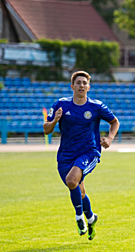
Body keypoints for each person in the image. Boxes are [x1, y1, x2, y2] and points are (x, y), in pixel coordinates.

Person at [44, 71, 120, 240]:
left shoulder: (96, 106)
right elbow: (46, 129)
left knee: (72, 181)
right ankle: (91, 218)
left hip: (89, 152)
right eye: (78, 83)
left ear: (88, 87)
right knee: (79, 190)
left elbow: (115, 122)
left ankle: (79, 218)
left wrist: (109, 138)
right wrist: (55, 120)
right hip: (65, 155)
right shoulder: (61, 105)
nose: (81, 85)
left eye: (84, 83)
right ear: (72, 86)